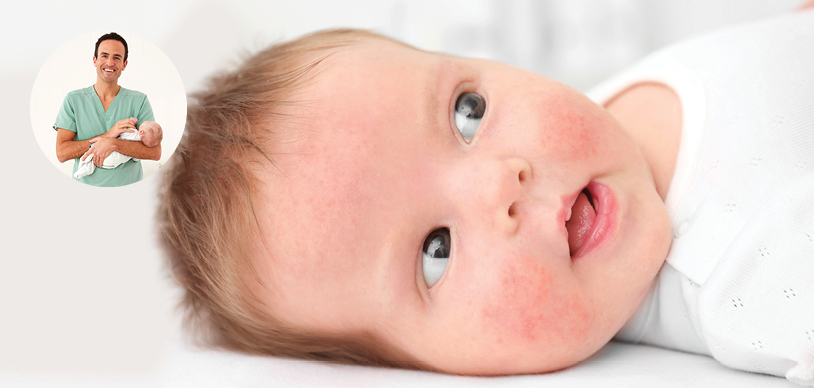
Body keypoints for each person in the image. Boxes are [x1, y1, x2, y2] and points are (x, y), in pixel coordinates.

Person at [157, 9, 814, 386]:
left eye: (467, 113)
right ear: (422, 367)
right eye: (434, 253)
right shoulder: (747, 278)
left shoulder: (610, 109)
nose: (502, 182)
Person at [54, 32, 161, 187]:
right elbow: (62, 153)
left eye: (117, 57)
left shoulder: (139, 101)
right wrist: (108, 135)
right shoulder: (73, 100)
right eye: (104, 56)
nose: (110, 62)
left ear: (124, 64)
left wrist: (114, 144)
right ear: (95, 60)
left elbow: (154, 152)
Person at [74, 119, 163, 178]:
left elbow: (122, 132)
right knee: (93, 159)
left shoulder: (133, 132)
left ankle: (84, 166)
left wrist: (131, 122)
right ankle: (87, 168)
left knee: (90, 153)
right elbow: (136, 158)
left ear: (142, 131)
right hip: (113, 164)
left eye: (147, 122)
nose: (146, 121)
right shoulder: (140, 145)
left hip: (109, 155)